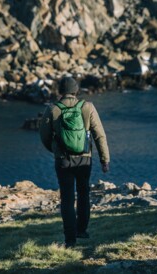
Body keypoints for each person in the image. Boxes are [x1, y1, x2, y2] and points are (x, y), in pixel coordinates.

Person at [39, 76, 110, 247]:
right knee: (84, 193)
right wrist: (104, 159)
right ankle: (82, 230)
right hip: (84, 159)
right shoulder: (88, 107)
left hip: (63, 160)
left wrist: (56, 151)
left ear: (60, 91)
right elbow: (99, 135)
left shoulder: (53, 109)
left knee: (67, 198)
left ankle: (70, 239)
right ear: (76, 90)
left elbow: (44, 136)